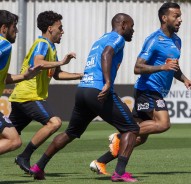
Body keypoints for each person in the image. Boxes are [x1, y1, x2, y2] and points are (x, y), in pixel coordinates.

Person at [29, 13, 140, 182]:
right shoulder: (117, 38)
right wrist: (108, 82)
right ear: (123, 25)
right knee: (132, 129)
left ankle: (39, 166)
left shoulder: (100, 40)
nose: (133, 30)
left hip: (83, 90)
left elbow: (102, 54)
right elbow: (107, 54)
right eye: (131, 26)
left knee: (70, 133)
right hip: (98, 90)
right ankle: (119, 172)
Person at [90, 2, 191, 175]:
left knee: (139, 138)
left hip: (157, 91)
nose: (180, 20)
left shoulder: (177, 41)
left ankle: (100, 162)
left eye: (180, 16)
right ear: (164, 18)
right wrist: (161, 67)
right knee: (163, 124)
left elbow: (172, 67)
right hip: (147, 90)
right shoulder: (154, 39)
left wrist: (184, 79)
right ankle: (118, 136)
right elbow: (137, 68)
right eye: (176, 16)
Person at [9, 10, 83, 172]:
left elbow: (57, 75)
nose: (62, 31)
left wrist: (81, 75)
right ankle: (24, 156)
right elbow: (38, 63)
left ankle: (23, 156)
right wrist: (62, 61)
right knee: (54, 122)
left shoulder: (50, 47)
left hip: (22, 96)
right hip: (28, 95)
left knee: (7, 138)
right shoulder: (42, 44)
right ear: (50, 28)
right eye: (60, 27)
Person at [0, 10, 42, 155]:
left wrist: (25, 76)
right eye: (14, 27)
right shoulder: (4, 44)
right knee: (13, 140)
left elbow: (4, 78)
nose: (16, 30)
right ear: (4, 28)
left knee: (13, 139)